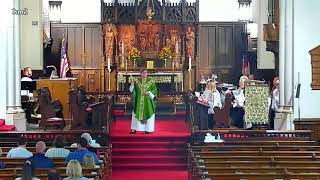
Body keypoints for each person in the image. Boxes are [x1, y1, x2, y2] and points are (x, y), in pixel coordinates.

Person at [129, 69, 158, 134]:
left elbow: (155, 90)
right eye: (143, 72)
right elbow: (132, 90)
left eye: (146, 72)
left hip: (148, 102)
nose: (144, 74)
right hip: (138, 101)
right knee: (136, 113)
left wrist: (149, 92)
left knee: (148, 113)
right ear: (140, 73)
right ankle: (134, 129)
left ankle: (147, 129)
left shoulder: (151, 81)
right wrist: (132, 84)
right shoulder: (136, 81)